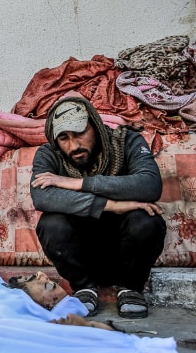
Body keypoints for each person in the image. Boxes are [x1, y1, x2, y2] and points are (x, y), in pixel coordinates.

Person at [30, 95, 167, 319]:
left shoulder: (127, 141)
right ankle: (84, 288)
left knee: (146, 220)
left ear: (96, 126)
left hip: (126, 253)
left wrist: (79, 183)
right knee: (51, 222)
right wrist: (112, 205)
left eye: (80, 132)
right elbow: (42, 197)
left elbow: (149, 184)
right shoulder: (49, 154)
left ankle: (130, 288)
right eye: (64, 138)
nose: (74, 146)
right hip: (82, 255)